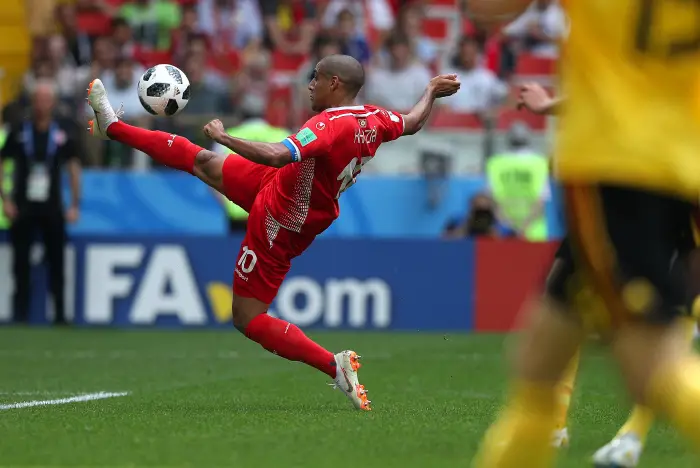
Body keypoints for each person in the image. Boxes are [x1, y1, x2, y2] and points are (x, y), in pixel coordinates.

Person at [85, 54, 460, 410]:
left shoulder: (330, 125)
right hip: (282, 184)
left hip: (283, 217)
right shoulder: (374, 117)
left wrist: (225, 136)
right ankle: (114, 127)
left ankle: (334, 364)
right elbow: (412, 122)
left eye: (315, 77)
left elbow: (279, 153)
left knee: (247, 317)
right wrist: (430, 91)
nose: (309, 85)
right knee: (200, 161)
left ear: (335, 83)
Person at [469, 0, 700, 466]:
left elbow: (486, 8)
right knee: (538, 363)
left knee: (650, 365)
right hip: (682, 164)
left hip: (616, 167)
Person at [519, 82, 700, 466]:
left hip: (640, 183)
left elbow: (619, 90)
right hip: (655, 179)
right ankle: (602, 433)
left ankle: (620, 437)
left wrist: (551, 105)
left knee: (648, 345)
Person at [0, 80, 81, 325]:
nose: (42, 105)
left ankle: (59, 314)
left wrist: (75, 203)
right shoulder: (19, 130)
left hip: (52, 205)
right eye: (38, 99)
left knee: (57, 261)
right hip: (23, 204)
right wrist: (5, 199)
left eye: (46, 100)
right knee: (20, 263)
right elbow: (2, 164)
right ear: (32, 102)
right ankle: (21, 314)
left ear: (53, 103)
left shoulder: (63, 131)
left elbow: (74, 168)